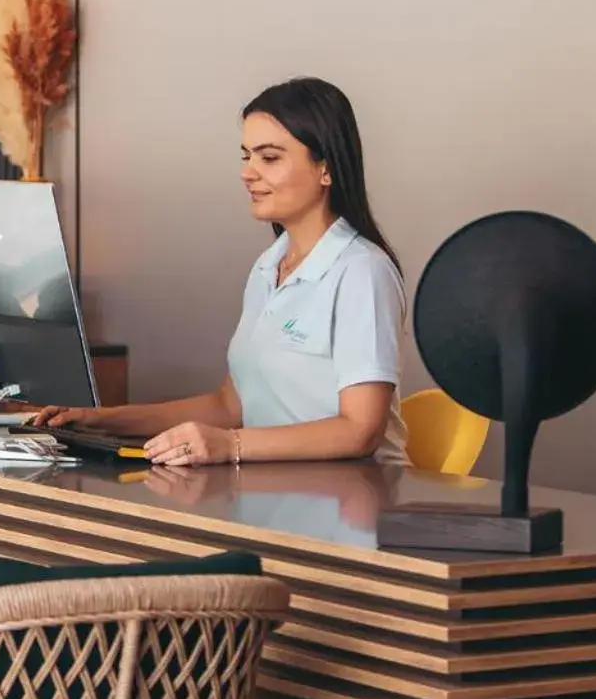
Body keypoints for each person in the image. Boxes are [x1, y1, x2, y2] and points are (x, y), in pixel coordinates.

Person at [33, 77, 409, 466]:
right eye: (246, 156)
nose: (248, 172)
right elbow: (230, 406)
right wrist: (102, 419)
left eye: (270, 157)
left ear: (325, 169)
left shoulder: (363, 271)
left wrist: (230, 445)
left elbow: (360, 430)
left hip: (357, 503)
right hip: (282, 492)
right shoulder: (269, 267)